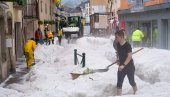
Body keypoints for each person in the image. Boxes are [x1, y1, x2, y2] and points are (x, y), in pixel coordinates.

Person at [114, 30, 137, 96]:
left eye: (116, 37)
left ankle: (137, 92)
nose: (115, 38)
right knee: (119, 82)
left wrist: (123, 65)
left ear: (121, 37)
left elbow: (129, 56)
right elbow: (119, 53)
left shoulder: (127, 45)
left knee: (131, 81)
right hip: (121, 67)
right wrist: (118, 60)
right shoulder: (118, 44)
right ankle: (119, 95)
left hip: (129, 67)